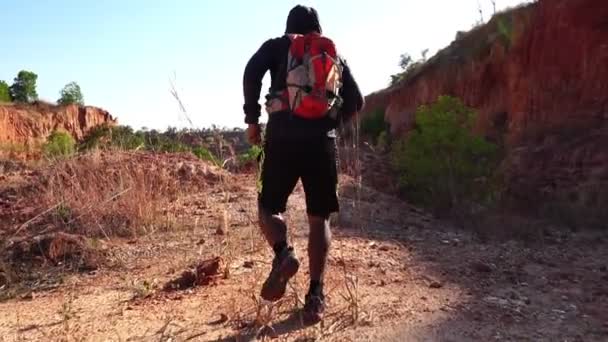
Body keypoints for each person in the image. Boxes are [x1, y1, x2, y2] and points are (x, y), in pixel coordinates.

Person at [242, 5, 364, 323]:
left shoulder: (276, 45)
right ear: (318, 29)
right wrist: (330, 126)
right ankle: (315, 296)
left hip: (282, 136)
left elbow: (251, 72)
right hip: (321, 142)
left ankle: (284, 254)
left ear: (289, 27)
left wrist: (252, 120)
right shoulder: (332, 56)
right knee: (318, 219)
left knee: (268, 208)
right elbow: (357, 101)